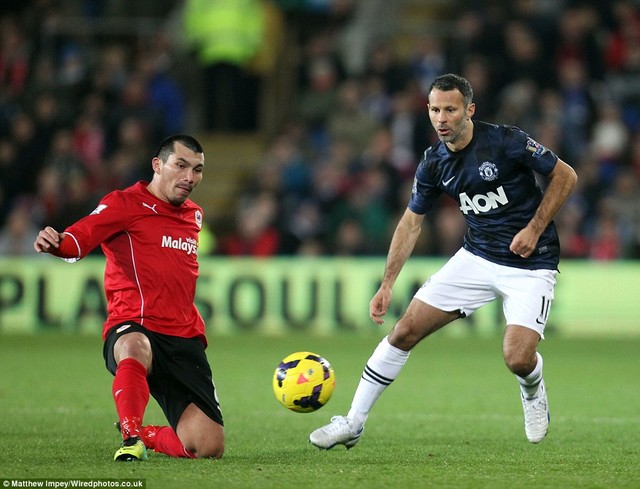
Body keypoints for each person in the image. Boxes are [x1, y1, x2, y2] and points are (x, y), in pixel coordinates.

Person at [309, 73, 577, 449]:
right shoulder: (433, 162)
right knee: (403, 331)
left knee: (518, 358)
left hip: (530, 262)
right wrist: (387, 284)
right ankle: (353, 422)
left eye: (450, 109)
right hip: (476, 257)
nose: (441, 118)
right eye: (434, 109)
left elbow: (565, 175)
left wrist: (534, 228)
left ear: (469, 110)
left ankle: (533, 393)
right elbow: (410, 223)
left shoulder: (505, 141)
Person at [33, 135, 224, 461]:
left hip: (183, 336)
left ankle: (148, 435)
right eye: (181, 166)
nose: (189, 177)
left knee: (208, 446)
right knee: (135, 346)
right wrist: (57, 243)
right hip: (133, 324)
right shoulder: (125, 203)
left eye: (197, 170)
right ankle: (131, 435)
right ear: (157, 165)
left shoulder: (194, 215)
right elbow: (80, 237)